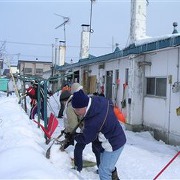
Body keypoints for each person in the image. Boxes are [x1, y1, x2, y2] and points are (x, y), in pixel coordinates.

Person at [71, 89, 126, 179]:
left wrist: (75, 137)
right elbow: (110, 102)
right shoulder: (97, 100)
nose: (76, 112)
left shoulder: (93, 120)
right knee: (107, 166)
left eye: (77, 110)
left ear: (84, 107)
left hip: (113, 143)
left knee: (104, 171)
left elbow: (87, 138)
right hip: (116, 136)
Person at [62, 83, 100, 173]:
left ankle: (77, 167)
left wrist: (70, 133)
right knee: (96, 148)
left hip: (87, 128)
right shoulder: (87, 98)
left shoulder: (72, 104)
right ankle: (101, 168)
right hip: (95, 126)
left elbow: (73, 124)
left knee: (78, 148)